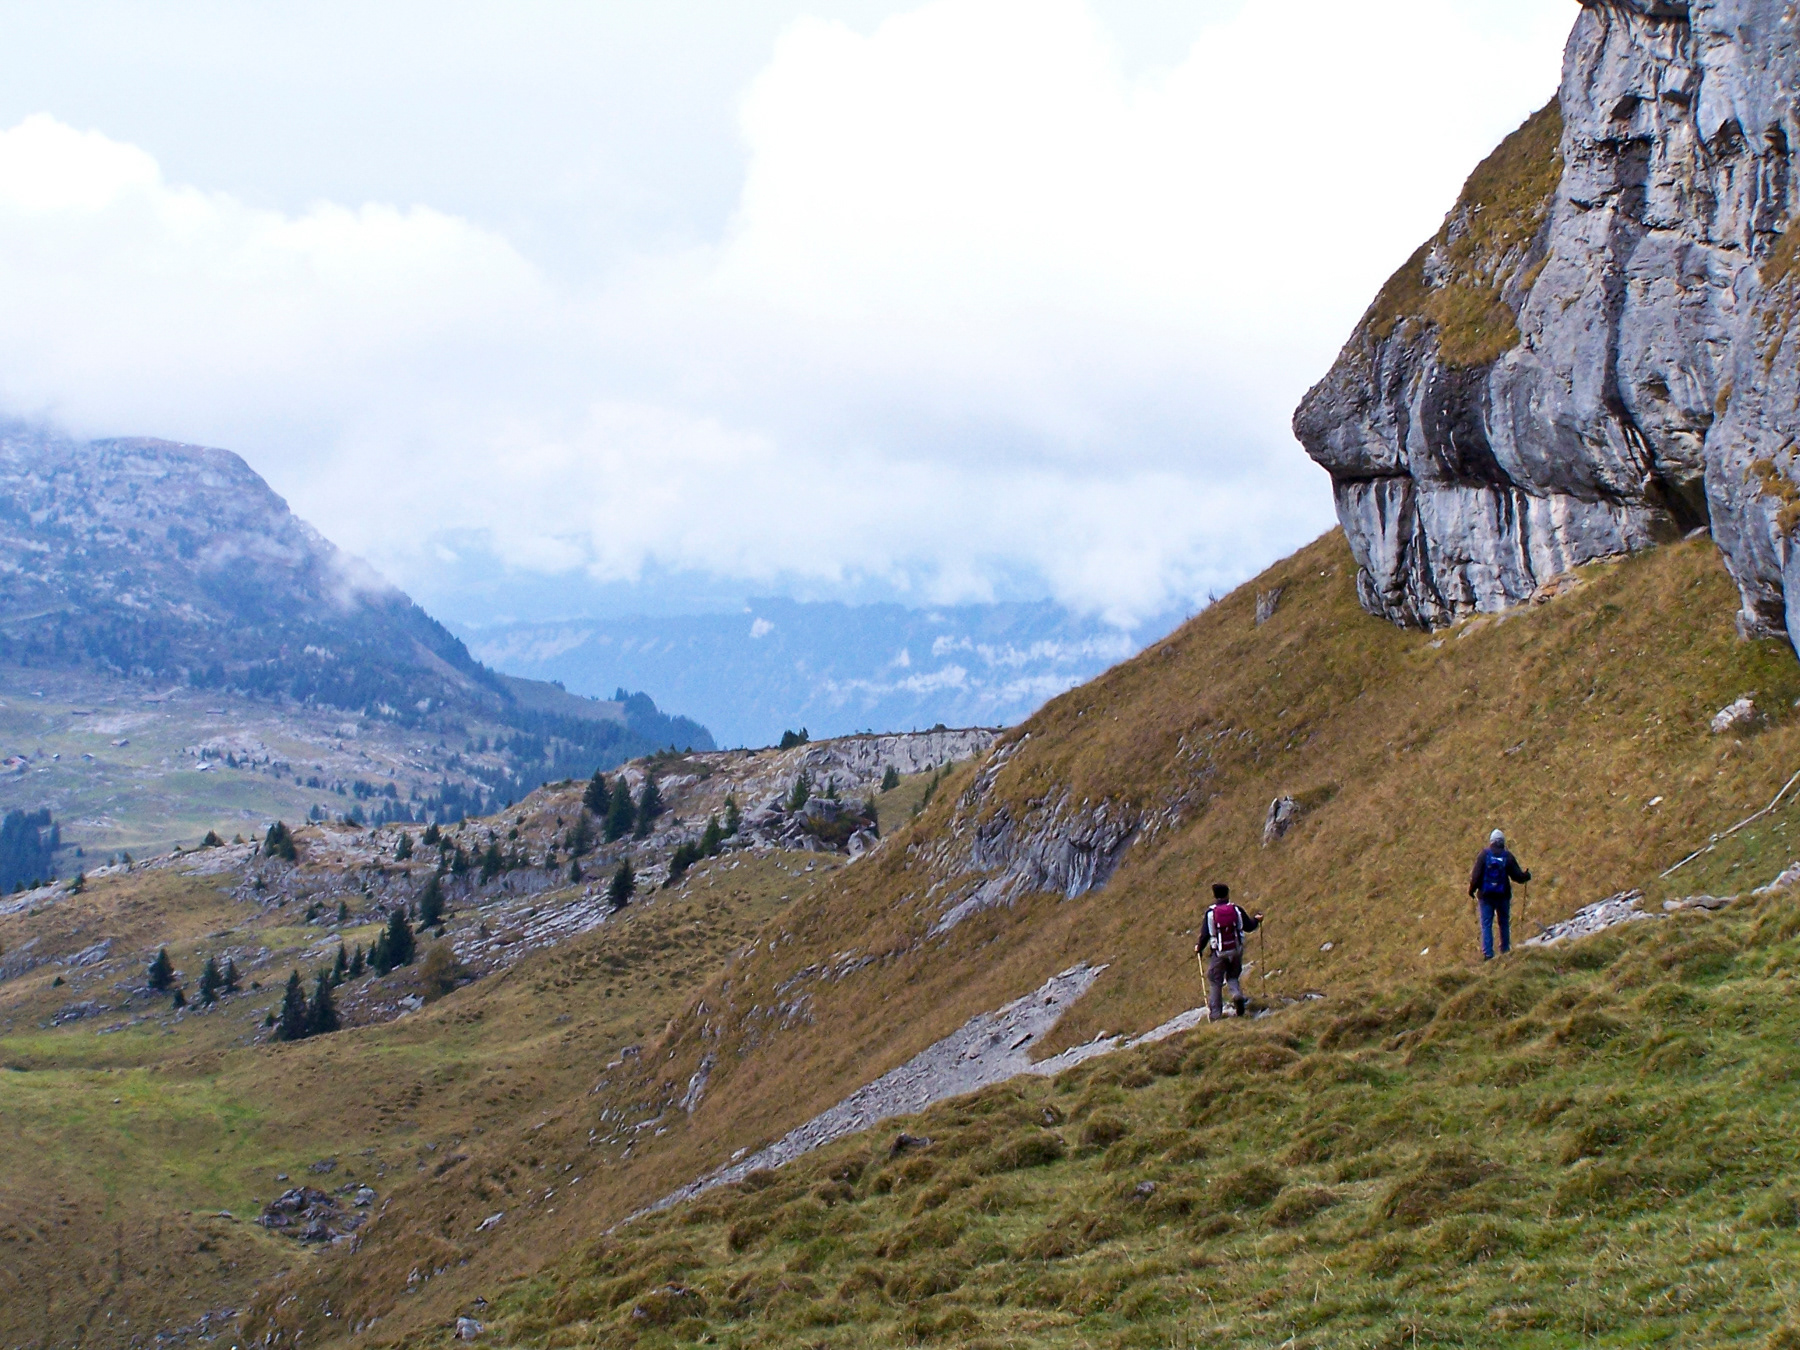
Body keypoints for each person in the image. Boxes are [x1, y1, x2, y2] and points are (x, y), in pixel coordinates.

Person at [1197, 883, 1262, 1020]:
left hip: (1219, 952)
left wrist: (1199, 948)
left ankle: (1215, 1014)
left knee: (1215, 980)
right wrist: (1257, 920)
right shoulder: (1236, 909)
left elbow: (1205, 935)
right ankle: (1237, 995)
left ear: (1215, 896)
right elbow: (1249, 926)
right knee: (1233, 976)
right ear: (1227, 894)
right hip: (1236, 949)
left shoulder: (1210, 914)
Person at [1468, 828, 1530, 959]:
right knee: (1503, 923)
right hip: (1503, 896)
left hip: (1486, 896)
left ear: (1491, 841)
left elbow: (1476, 876)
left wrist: (1472, 890)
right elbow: (1517, 876)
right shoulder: (1507, 856)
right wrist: (1526, 876)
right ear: (1503, 842)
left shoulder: (1484, 855)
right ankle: (1505, 950)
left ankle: (1488, 954)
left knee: (1486, 924)